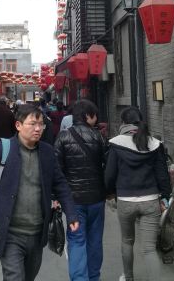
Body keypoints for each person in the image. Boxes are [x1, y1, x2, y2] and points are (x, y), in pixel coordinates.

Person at [0, 104, 80, 281]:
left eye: (41, 124)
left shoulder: (47, 152)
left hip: (37, 233)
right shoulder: (0, 150)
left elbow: (60, 184)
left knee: (29, 276)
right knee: (15, 276)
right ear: (18, 125)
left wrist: (71, 214)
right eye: (33, 124)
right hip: (9, 232)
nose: (38, 129)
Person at [104, 107, 170, 281]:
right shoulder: (154, 143)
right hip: (150, 201)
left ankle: (128, 277)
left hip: (125, 200)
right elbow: (162, 174)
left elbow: (109, 175)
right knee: (149, 249)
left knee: (127, 241)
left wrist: (109, 193)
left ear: (123, 123)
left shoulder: (116, 144)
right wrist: (165, 196)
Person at [54, 99, 108, 281]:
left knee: (76, 240)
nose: (96, 119)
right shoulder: (99, 137)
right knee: (95, 240)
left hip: (73, 201)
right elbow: (107, 165)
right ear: (86, 116)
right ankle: (93, 277)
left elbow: (56, 170)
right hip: (97, 198)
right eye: (94, 115)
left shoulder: (63, 137)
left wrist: (55, 196)